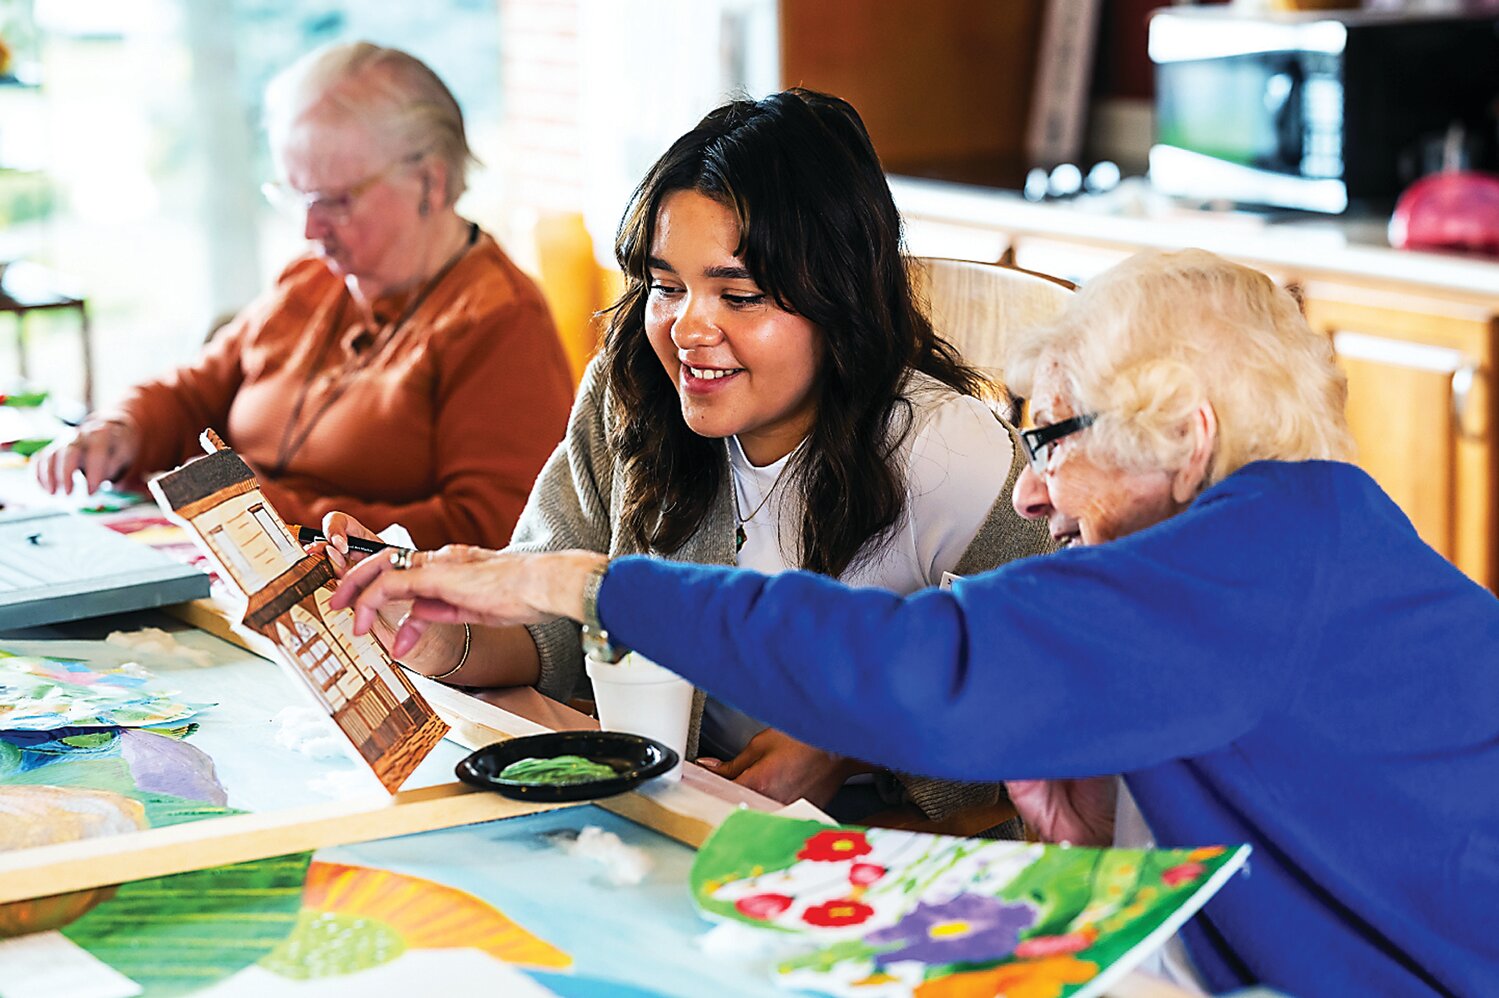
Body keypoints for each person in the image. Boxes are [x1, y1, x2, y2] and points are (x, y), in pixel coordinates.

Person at [333, 248, 1499, 994]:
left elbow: (912, 665)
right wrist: (1092, 849)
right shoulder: (1272, 551)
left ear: (1186, 437)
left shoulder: (1261, 546)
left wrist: (577, 582)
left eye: (1049, 437)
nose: (1029, 488)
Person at [324, 89, 1053, 819]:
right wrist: (441, 638)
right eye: (666, 286)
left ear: (840, 300)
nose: (686, 330)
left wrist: (848, 736)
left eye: (738, 297)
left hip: (876, 858)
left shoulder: (948, 452)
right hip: (671, 819)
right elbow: (557, 625)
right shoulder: (633, 394)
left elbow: (1038, 695)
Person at [34, 42, 573, 550]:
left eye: (334, 201)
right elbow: (195, 393)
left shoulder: (498, 318)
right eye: (295, 198)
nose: (310, 231)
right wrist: (122, 429)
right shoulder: (315, 278)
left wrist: (259, 510)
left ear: (430, 184)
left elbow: (493, 533)